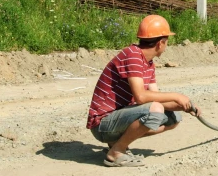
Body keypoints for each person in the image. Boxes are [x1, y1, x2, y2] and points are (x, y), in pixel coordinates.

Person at [86, 14, 202, 167]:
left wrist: (185, 105)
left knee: (174, 118)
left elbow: (156, 97)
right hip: (102, 125)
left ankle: (116, 142)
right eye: (167, 42)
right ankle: (116, 152)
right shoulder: (132, 55)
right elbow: (141, 97)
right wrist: (177, 95)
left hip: (118, 119)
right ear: (161, 43)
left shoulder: (148, 63)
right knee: (155, 110)